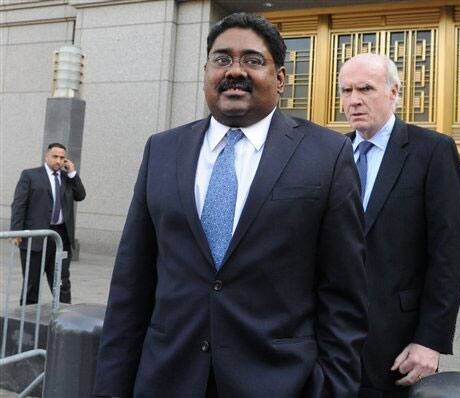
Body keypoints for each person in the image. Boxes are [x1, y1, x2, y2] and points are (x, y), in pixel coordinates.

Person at [94, 12, 368, 398]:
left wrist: (333, 389)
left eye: (253, 60)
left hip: (278, 382)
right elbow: (131, 285)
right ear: (206, 71)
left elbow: (344, 295)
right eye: (222, 59)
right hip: (167, 378)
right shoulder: (162, 150)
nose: (234, 70)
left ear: (281, 78)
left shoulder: (327, 154)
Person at [338, 53, 460, 397]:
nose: (354, 100)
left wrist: (430, 340)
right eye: (346, 90)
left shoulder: (432, 151)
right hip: (332, 340)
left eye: (365, 88)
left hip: (397, 343)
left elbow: (449, 253)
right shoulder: (332, 152)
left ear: (394, 92)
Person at [11, 142, 86, 304]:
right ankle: (28, 322)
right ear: (47, 156)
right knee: (32, 284)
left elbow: (80, 195)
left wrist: (73, 173)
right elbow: (19, 204)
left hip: (60, 238)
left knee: (62, 282)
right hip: (36, 237)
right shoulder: (30, 175)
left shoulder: (67, 178)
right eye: (55, 156)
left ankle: (65, 321)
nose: (58, 161)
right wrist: (17, 231)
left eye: (62, 157)